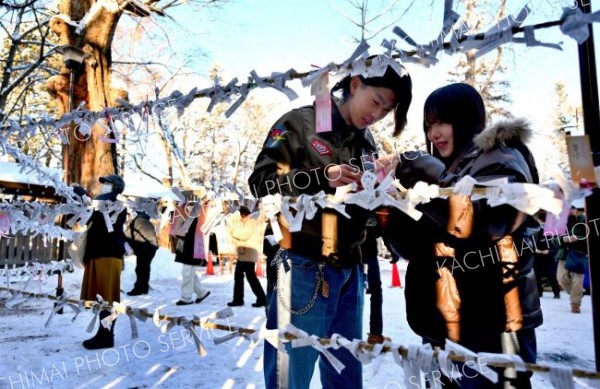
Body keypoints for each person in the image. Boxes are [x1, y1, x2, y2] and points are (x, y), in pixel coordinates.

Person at [249, 56, 412, 389]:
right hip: (302, 265)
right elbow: (261, 182)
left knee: (346, 376)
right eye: (376, 101)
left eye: (386, 110)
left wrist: (383, 195)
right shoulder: (298, 124)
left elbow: (361, 210)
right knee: (290, 375)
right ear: (355, 84)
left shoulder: (367, 144)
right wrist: (322, 177)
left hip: (351, 271)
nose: (377, 114)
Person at [385, 82, 542, 388]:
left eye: (442, 122)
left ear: (467, 118)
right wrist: (388, 208)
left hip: (493, 324)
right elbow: (414, 249)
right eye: (429, 125)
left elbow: (490, 221)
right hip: (442, 321)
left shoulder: (502, 156)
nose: (434, 134)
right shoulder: (449, 167)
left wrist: (436, 177)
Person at [80, 174, 127, 350]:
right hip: (99, 254)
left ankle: (107, 336)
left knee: (107, 299)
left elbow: (104, 226)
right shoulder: (99, 203)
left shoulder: (116, 205)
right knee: (100, 298)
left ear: (115, 187)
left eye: (107, 183)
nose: (104, 186)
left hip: (108, 255)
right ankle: (102, 333)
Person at [170, 199, 213, 306]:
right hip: (189, 248)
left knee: (187, 273)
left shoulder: (198, 216)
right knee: (190, 273)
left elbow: (183, 230)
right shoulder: (191, 216)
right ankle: (201, 292)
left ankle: (186, 297)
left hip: (192, 248)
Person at [225, 205, 268, 307]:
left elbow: (243, 235)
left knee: (248, 277)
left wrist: (232, 231)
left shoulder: (251, 221)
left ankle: (256, 298)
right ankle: (252, 298)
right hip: (246, 253)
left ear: (242, 215)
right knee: (245, 276)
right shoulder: (252, 220)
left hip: (248, 253)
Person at [361, 218, 389, 344]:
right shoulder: (374, 204)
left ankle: (342, 333)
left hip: (353, 254)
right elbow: (381, 230)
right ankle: (375, 334)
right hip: (368, 254)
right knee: (376, 292)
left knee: (373, 292)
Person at [556, 206, 588, 313]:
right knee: (561, 279)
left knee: (577, 281)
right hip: (564, 254)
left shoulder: (584, 221)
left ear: (576, 211)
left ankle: (575, 304)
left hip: (579, 254)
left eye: (571, 209)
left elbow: (589, 237)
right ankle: (578, 294)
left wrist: (577, 238)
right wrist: (562, 239)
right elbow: (551, 240)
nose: (569, 211)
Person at [125, 210, 159, 296]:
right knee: (145, 268)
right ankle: (144, 288)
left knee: (140, 269)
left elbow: (127, 235)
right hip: (151, 248)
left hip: (145, 248)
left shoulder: (137, 222)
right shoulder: (147, 222)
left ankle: (139, 289)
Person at [532, 210, 561, 299]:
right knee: (537, 275)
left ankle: (556, 292)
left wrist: (549, 251)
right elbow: (531, 242)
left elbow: (556, 245)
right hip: (538, 256)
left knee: (551, 276)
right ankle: (539, 292)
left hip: (548, 257)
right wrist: (534, 249)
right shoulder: (535, 231)